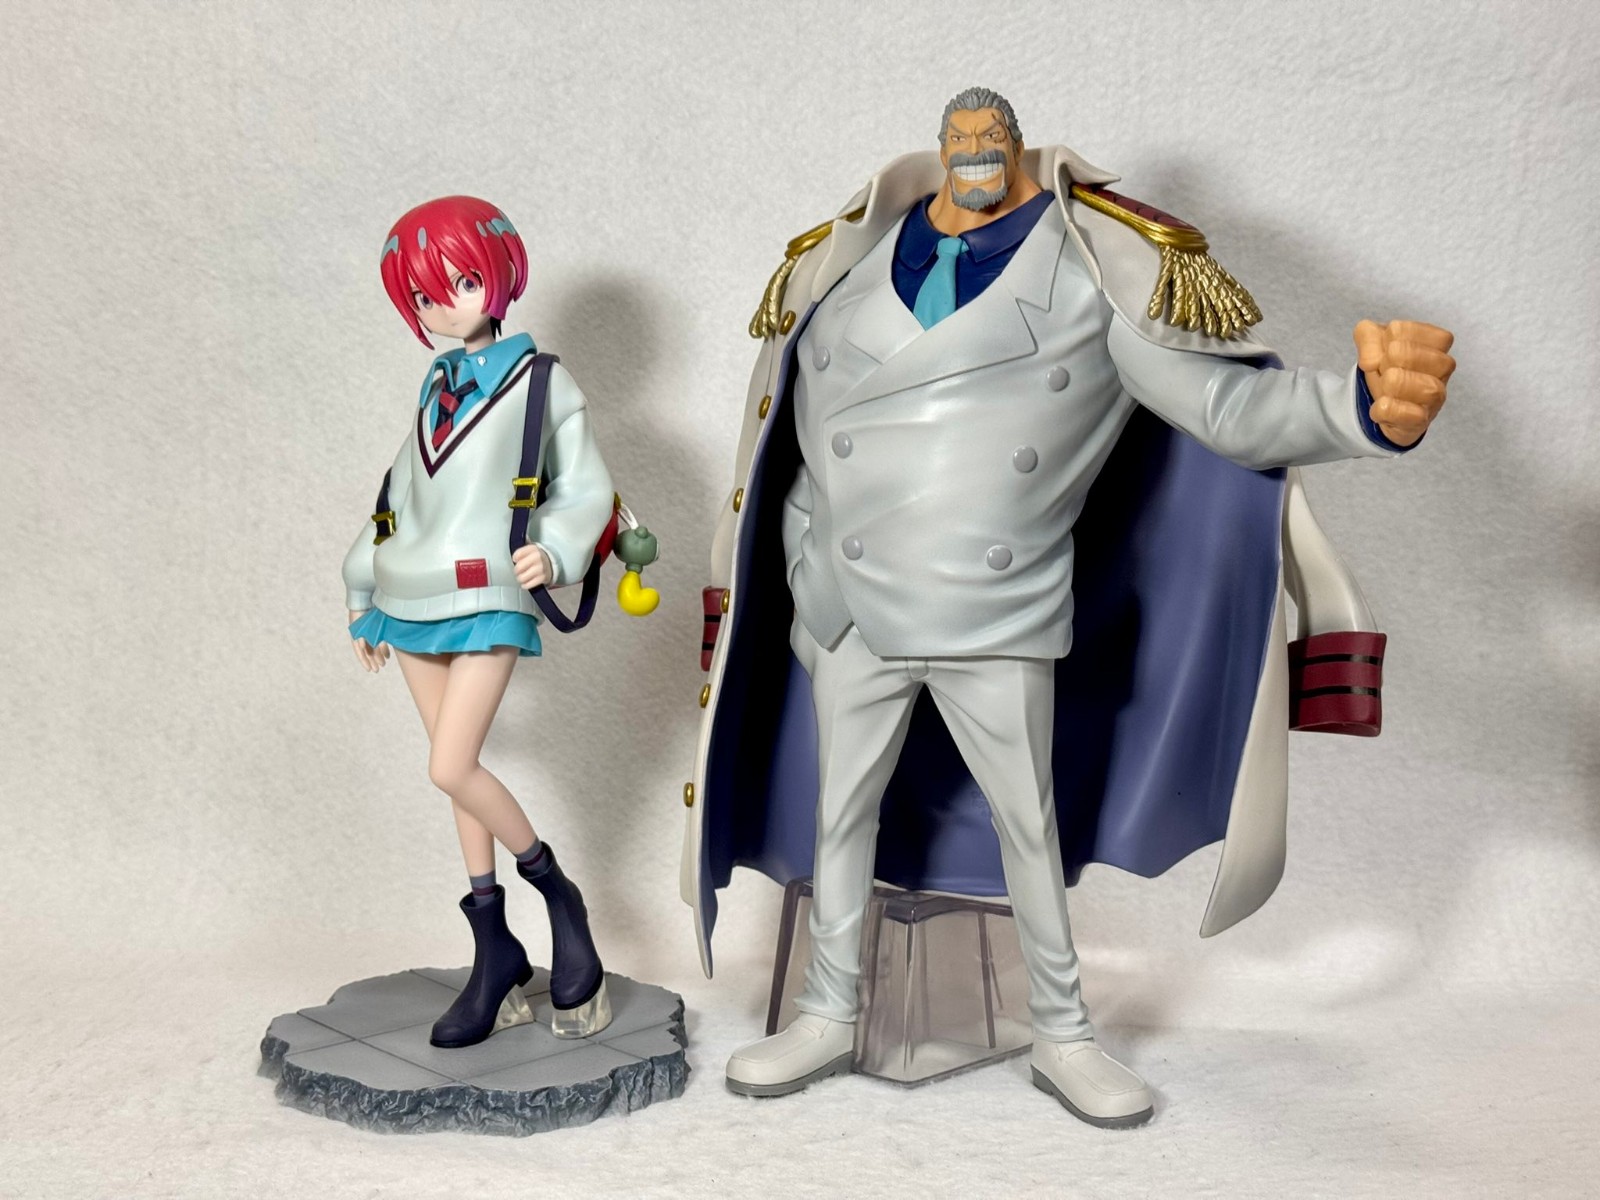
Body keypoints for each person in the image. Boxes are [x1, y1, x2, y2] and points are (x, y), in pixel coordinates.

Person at [685, 88, 1454, 1127]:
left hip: (995, 606)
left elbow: (1226, 404)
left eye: (988, 144)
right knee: (841, 816)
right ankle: (827, 1011)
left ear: (1015, 150)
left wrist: (1364, 408)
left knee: (1028, 828)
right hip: (847, 600)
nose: (971, 158)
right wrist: (799, 553)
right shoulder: (845, 259)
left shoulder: (1094, 269)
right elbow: (786, 435)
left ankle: (1062, 1032)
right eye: (957, 142)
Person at [342, 195, 618, 1046]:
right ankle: (494, 949)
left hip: (488, 589)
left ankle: (558, 895)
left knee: (449, 765)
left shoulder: (543, 382)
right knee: (456, 775)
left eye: (460, 283)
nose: (443, 305)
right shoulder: (435, 384)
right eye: (424, 296)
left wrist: (558, 552)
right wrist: (360, 581)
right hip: (408, 592)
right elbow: (400, 492)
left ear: (498, 276)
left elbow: (586, 485)